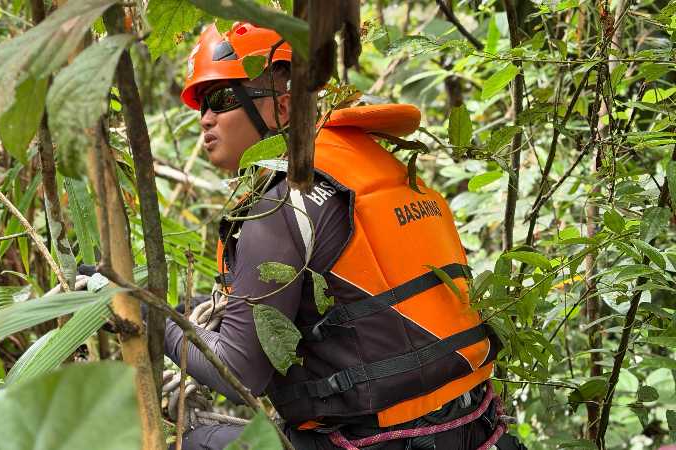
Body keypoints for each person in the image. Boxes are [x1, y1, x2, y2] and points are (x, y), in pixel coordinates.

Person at [163, 22, 526, 450]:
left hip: (382, 441)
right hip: (474, 426)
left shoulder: (279, 203)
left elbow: (241, 369)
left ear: (282, 106)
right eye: (201, 104)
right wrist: (187, 313)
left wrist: (146, 312)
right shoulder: (373, 164)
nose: (206, 118)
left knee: (197, 441)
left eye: (222, 99)